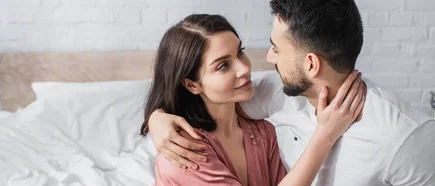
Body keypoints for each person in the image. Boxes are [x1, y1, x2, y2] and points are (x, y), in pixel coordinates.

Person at [146, 0, 435, 185]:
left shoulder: (410, 139)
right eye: (223, 65)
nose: (258, 64)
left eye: (276, 49)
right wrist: (156, 117)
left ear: (311, 64)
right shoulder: (269, 95)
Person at [140, 14, 366, 186]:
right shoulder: (183, 151)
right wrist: (325, 135)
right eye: (222, 66)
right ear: (191, 84)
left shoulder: (262, 132)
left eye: (240, 52)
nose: (244, 69)